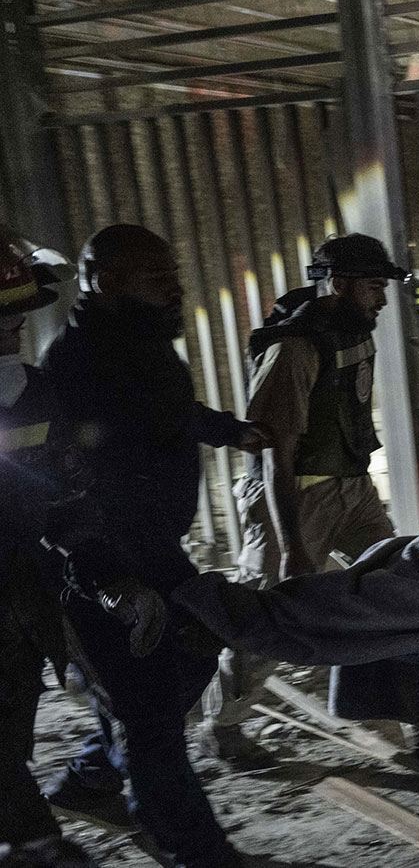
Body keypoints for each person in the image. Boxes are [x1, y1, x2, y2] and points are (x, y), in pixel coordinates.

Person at [39, 225, 266, 868]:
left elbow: (165, 413)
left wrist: (230, 430)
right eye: (156, 275)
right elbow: (57, 474)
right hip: (107, 557)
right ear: (106, 280)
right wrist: (102, 569)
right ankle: (194, 849)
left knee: (171, 668)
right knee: (151, 713)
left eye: (173, 273)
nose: (174, 286)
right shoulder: (78, 361)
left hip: (150, 543)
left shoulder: (138, 345)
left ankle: (92, 781)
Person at [200, 234, 403, 758]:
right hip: (293, 496)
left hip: (352, 488)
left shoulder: (353, 330)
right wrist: (291, 544)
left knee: (394, 588)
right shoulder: (294, 347)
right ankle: (223, 724)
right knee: (268, 617)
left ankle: (395, 715)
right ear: (338, 284)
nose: (383, 299)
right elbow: (276, 452)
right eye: (374, 287)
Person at [0, 237, 71, 849]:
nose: (16, 327)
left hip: (23, 585)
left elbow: (64, 487)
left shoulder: (39, 391)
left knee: (14, 716)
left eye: (17, 315)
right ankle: (33, 838)